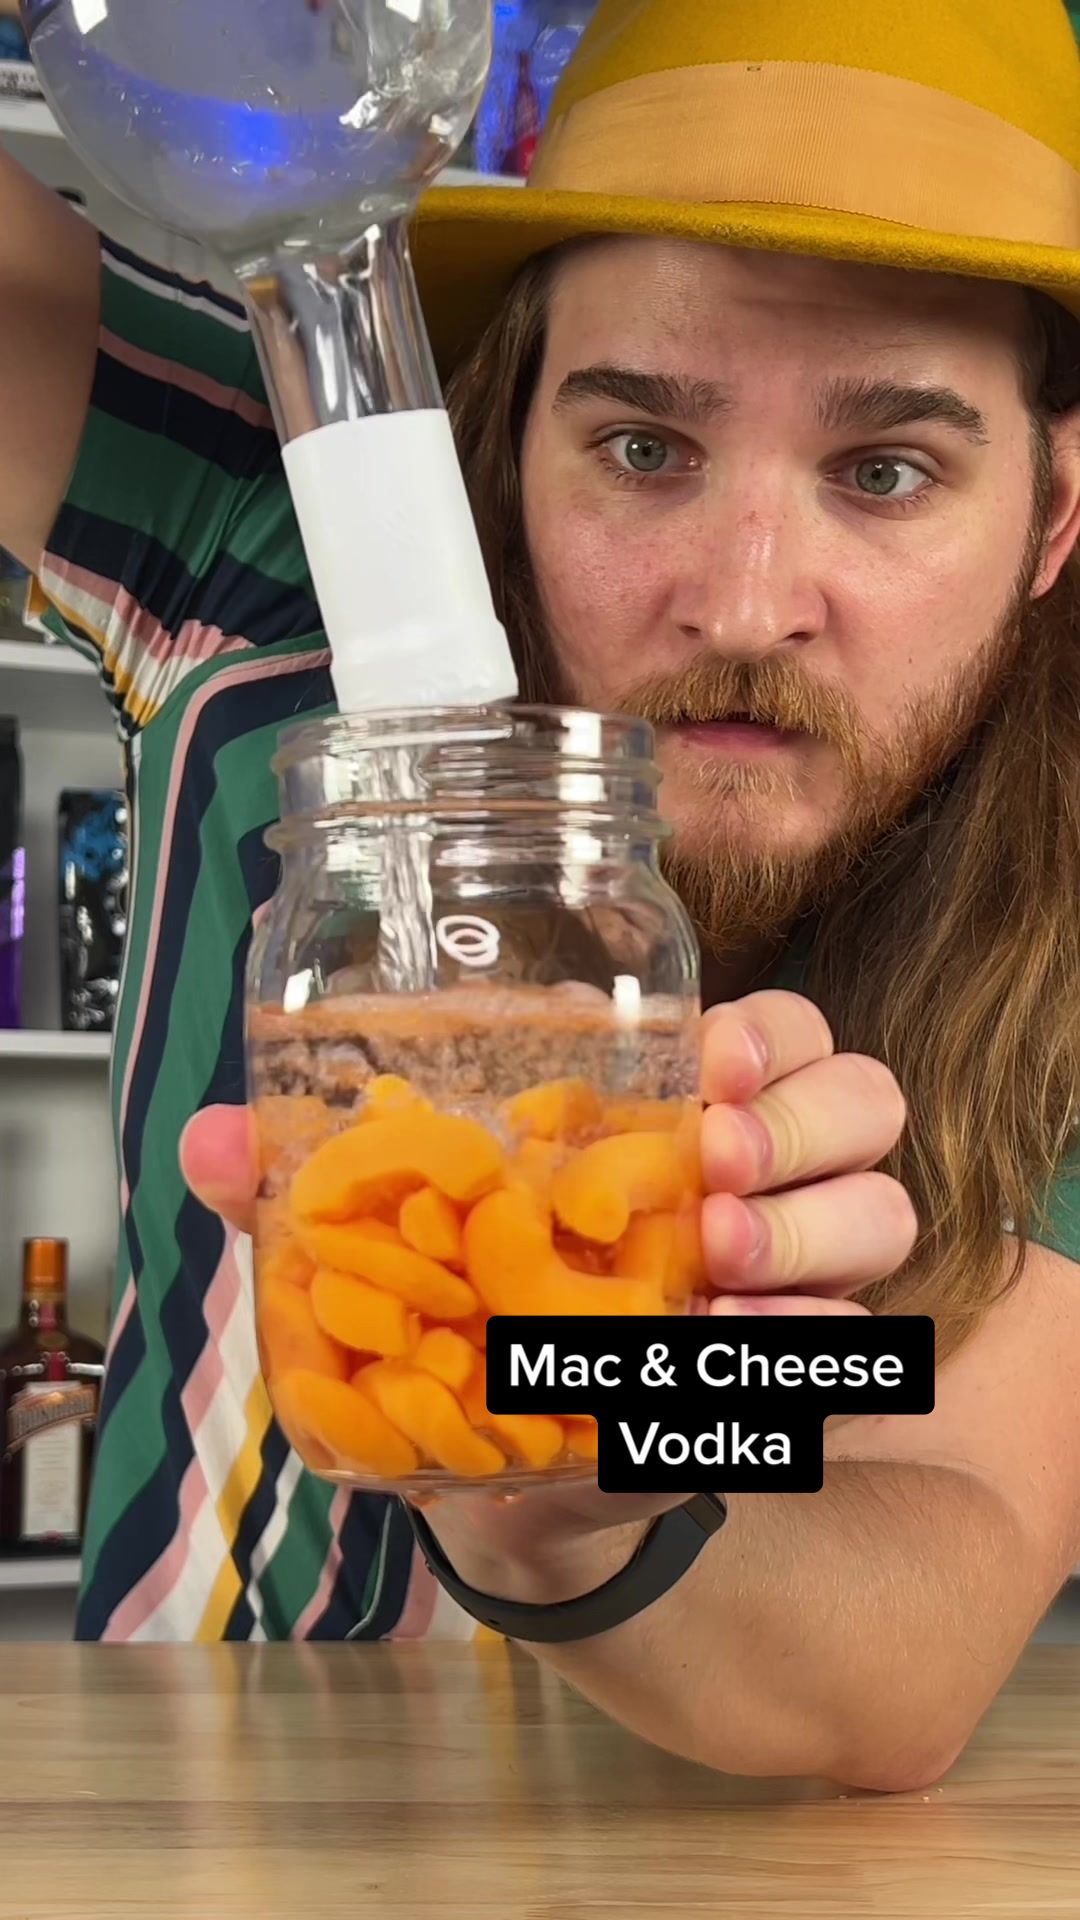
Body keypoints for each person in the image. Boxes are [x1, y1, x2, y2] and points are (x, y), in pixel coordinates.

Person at [3, 0, 1079, 1789]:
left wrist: (598, 1469)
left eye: (885, 470)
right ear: (505, 442)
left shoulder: (1057, 929)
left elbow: (929, 1606)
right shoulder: (274, 578)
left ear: (1054, 516)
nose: (746, 601)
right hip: (185, 1824)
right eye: (644, 448)